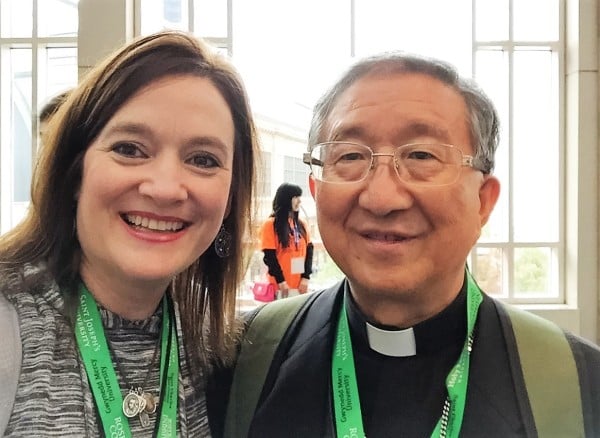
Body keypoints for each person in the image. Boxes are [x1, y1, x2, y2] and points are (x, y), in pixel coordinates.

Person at [219, 52, 600, 437]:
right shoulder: (243, 358)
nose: (381, 198)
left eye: (421, 155)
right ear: (317, 191)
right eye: (350, 155)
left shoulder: (580, 384)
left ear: (482, 201)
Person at [0, 30, 259, 437]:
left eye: (203, 159)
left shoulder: (220, 355)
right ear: (74, 171)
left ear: (230, 199)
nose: (165, 188)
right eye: (129, 149)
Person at [259, 183, 313, 298]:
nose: (299, 201)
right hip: (279, 287)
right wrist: (281, 281)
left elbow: (309, 251)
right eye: (295, 197)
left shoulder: (302, 224)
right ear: (286, 199)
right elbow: (270, 257)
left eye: (299, 197)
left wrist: (306, 277)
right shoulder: (270, 225)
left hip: (300, 288)